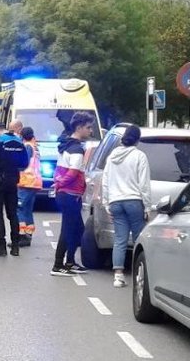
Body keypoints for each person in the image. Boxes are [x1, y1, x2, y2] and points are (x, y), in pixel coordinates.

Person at [103, 125, 151, 288]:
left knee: (120, 239)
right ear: (137, 139)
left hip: (115, 201)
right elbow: (143, 183)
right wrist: (147, 206)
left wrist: (106, 203)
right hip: (134, 201)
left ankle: (118, 276)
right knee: (139, 239)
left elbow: (105, 180)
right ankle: (141, 273)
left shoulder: (112, 157)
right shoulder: (139, 156)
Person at [50, 112, 95, 275]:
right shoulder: (76, 149)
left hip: (66, 193)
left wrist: (59, 182)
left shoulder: (66, 145)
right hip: (70, 194)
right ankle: (58, 264)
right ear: (79, 127)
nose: (91, 131)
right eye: (88, 127)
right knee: (68, 230)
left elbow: (60, 169)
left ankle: (69, 262)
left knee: (77, 229)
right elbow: (73, 172)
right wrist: (61, 183)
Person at [0, 120, 29, 257]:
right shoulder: (19, 141)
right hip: (13, 181)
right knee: (13, 214)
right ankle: (15, 247)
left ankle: (1, 246)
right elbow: (25, 163)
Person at [15, 127, 43, 247]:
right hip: (35, 182)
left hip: (26, 182)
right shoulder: (35, 147)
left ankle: (22, 235)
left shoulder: (26, 147)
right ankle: (28, 234)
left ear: (22, 136)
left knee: (19, 208)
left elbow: (22, 164)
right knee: (27, 209)